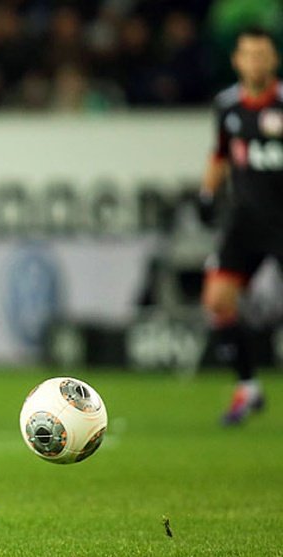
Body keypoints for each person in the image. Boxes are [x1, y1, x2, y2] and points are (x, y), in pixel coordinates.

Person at [200, 26, 281, 425]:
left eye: (262, 54)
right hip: (246, 221)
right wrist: (206, 192)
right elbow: (220, 155)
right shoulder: (227, 105)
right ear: (237, 60)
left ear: (274, 60)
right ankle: (248, 388)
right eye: (248, 54)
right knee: (217, 299)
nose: (256, 61)